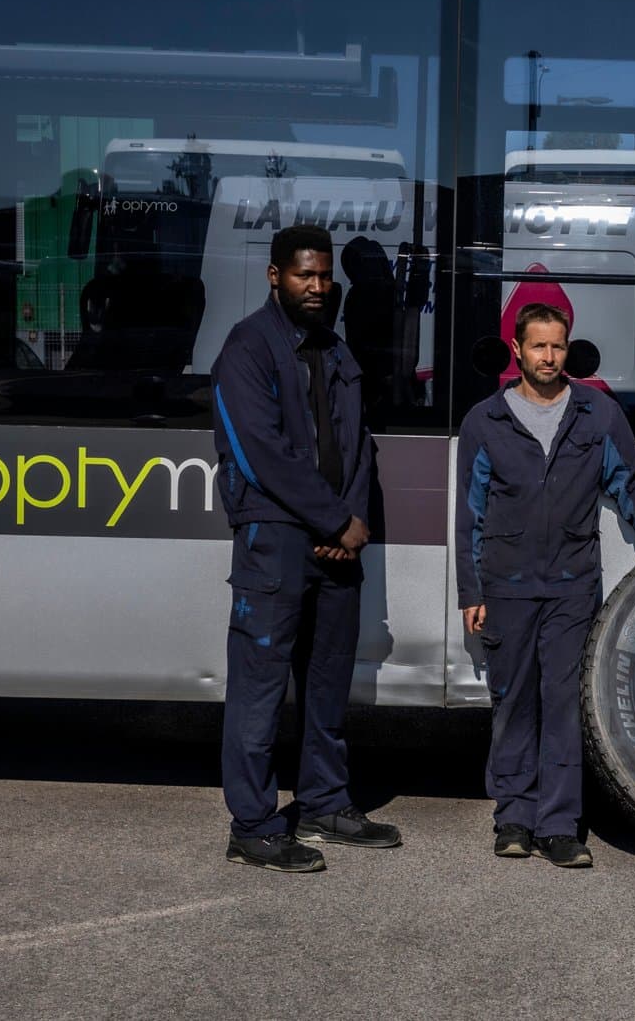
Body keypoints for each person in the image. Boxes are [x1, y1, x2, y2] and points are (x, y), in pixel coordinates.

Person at [456, 303, 635, 868]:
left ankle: (560, 826)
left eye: (557, 346)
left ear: (568, 349)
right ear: (517, 351)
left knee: (564, 705)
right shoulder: (484, 421)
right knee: (513, 703)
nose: (549, 357)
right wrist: (471, 591)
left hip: (572, 584)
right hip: (506, 585)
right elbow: (469, 514)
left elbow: (630, 482)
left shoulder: (597, 414)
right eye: (538, 346)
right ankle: (514, 819)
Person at [212, 224, 401, 873]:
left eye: (324, 275)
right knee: (260, 690)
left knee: (327, 688)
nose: (317, 286)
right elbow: (260, 453)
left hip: (335, 545)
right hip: (276, 541)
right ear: (275, 277)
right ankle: (254, 826)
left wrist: (352, 522)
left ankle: (324, 802)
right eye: (304, 275)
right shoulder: (248, 347)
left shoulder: (337, 352)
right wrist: (333, 519)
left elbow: (358, 445)